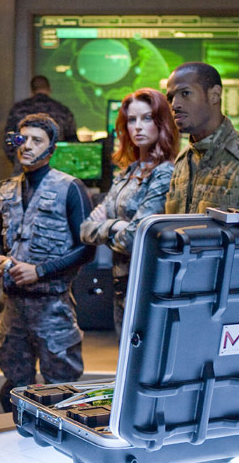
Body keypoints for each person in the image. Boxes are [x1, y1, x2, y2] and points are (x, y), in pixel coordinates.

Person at [0, 113, 95, 412]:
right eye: (22, 139)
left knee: (61, 391)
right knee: (14, 388)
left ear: (51, 148)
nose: (27, 146)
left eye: (37, 140)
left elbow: (87, 249)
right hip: (12, 308)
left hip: (52, 308)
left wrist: (40, 271)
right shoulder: (7, 189)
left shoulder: (70, 188)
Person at [80, 88, 178, 337]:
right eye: (132, 120)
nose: (138, 127)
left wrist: (108, 225)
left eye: (147, 118)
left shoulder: (165, 173)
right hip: (122, 287)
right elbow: (86, 229)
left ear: (162, 122)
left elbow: (135, 240)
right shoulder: (128, 172)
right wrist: (117, 226)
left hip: (149, 288)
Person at [164, 62, 239, 213]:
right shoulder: (183, 161)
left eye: (185, 93)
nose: (175, 105)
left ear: (215, 95)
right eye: (170, 98)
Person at [4, 75, 78, 174]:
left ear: (32, 90)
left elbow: (9, 142)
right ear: (49, 89)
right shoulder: (62, 110)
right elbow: (72, 143)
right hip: (55, 169)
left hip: (23, 170)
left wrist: (19, 161)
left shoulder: (18, 109)